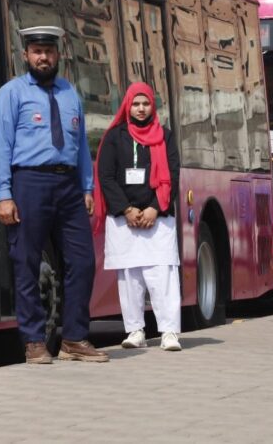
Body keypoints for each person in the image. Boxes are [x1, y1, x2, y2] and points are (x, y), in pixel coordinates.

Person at [0, 25, 108, 365]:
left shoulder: (70, 93)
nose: (43, 57)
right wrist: (4, 194)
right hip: (29, 182)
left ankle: (74, 338)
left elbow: (81, 146)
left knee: (82, 261)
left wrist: (87, 187)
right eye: (37, 52)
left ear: (58, 55)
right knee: (26, 262)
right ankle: (33, 341)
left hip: (69, 185)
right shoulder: (12, 93)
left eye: (49, 51)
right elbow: (2, 146)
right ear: (26, 55)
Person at [94, 82, 182, 351]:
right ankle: (135, 331)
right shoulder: (114, 137)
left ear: (152, 106)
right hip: (125, 221)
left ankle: (169, 332)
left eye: (145, 104)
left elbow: (173, 175)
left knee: (162, 276)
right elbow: (106, 177)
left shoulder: (165, 136)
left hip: (158, 219)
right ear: (127, 106)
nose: (141, 109)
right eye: (135, 104)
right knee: (130, 279)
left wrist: (155, 208)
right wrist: (127, 210)